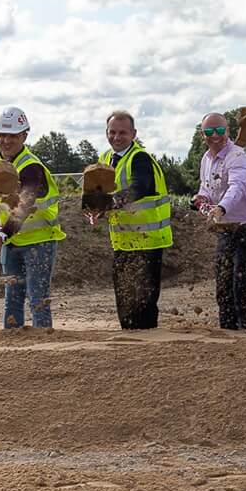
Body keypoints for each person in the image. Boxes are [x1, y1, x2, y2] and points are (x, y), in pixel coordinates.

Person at [0, 106, 63, 330]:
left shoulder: (31, 167)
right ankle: (12, 341)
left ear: (24, 135)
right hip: (12, 239)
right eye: (2, 135)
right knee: (12, 298)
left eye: (13, 135)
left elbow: (23, 208)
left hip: (39, 241)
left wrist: (0, 236)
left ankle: (43, 341)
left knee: (38, 299)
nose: (6, 141)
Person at [98, 109, 172, 330]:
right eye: (112, 132)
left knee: (143, 299)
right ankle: (130, 336)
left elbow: (140, 187)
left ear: (133, 134)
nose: (116, 137)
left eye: (122, 132)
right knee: (125, 296)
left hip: (147, 241)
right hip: (123, 241)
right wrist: (95, 207)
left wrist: (112, 202)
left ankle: (148, 340)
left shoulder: (140, 158)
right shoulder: (105, 159)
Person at [197, 111, 246, 330]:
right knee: (223, 288)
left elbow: (236, 188)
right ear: (202, 135)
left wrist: (221, 208)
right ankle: (228, 334)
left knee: (242, 288)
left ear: (228, 131)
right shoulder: (206, 159)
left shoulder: (237, 157)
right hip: (226, 231)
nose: (215, 135)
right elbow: (206, 187)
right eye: (209, 131)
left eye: (219, 130)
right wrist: (201, 198)